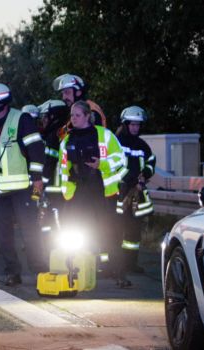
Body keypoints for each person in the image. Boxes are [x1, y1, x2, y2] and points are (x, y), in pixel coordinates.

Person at [0, 83, 47, 286]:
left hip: (23, 188)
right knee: (3, 236)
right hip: (0, 190)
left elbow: (36, 148)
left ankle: (41, 271)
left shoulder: (22, 119)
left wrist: (37, 178)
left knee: (30, 232)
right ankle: (13, 272)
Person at [59, 101, 130, 287]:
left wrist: (101, 164)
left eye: (77, 115)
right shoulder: (67, 140)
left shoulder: (104, 136)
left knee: (110, 234)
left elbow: (121, 159)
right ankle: (74, 271)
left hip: (102, 192)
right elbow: (62, 168)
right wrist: (66, 191)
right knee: (72, 233)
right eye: (72, 115)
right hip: (77, 194)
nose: (73, 119)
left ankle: (119, 274)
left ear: (88, 116)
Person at [114, 106, 156, 274]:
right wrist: (133, 181)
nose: (135, 128)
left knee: (133, 231)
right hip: (119, 193)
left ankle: (130, 264)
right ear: (125, 124)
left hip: (136, 195)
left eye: (138, 125)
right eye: (132, 124)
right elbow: (114, 165)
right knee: (115, 229)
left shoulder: (143, 146)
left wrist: (145, 175)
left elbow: (151, 162)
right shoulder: (117, 143)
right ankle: (113, 265)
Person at [37, 99, 70, 235]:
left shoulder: (53, 136)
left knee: (49, 220)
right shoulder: (65, 131)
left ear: (53, 116)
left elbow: (49, 163)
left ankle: (47, 248)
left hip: (53, 186)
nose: (43, 120)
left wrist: (40, 186)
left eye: (45, 116)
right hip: (67, 186)